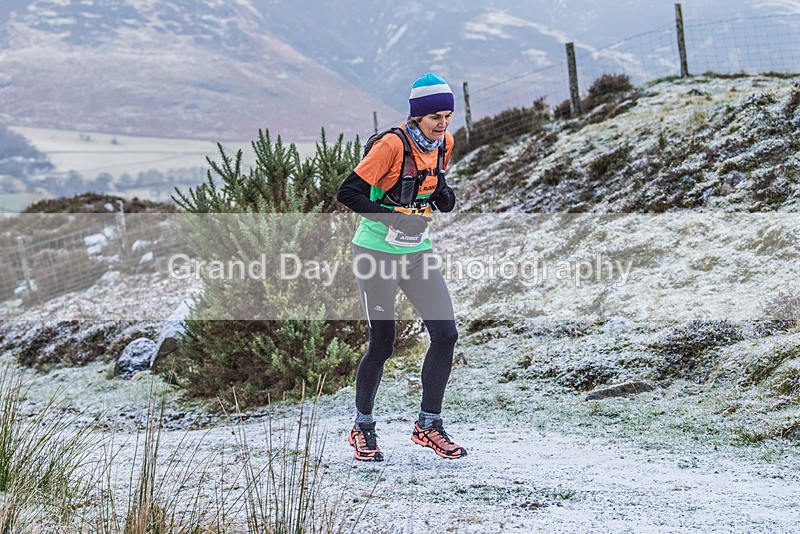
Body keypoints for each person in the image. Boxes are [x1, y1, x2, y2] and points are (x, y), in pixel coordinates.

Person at [336, 72, 466, 461]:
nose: (442, 124)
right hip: (375, 253)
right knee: (383, 342)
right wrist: (394, 220)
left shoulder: (445, 143)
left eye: (447, 116)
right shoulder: (391, 146)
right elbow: (348, 192)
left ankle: (428, 425)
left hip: (417, 252)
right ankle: (362, 427)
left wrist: (442, 193)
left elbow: (432, 183)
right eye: (434, 118)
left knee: (446, 334)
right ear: (416, 117)